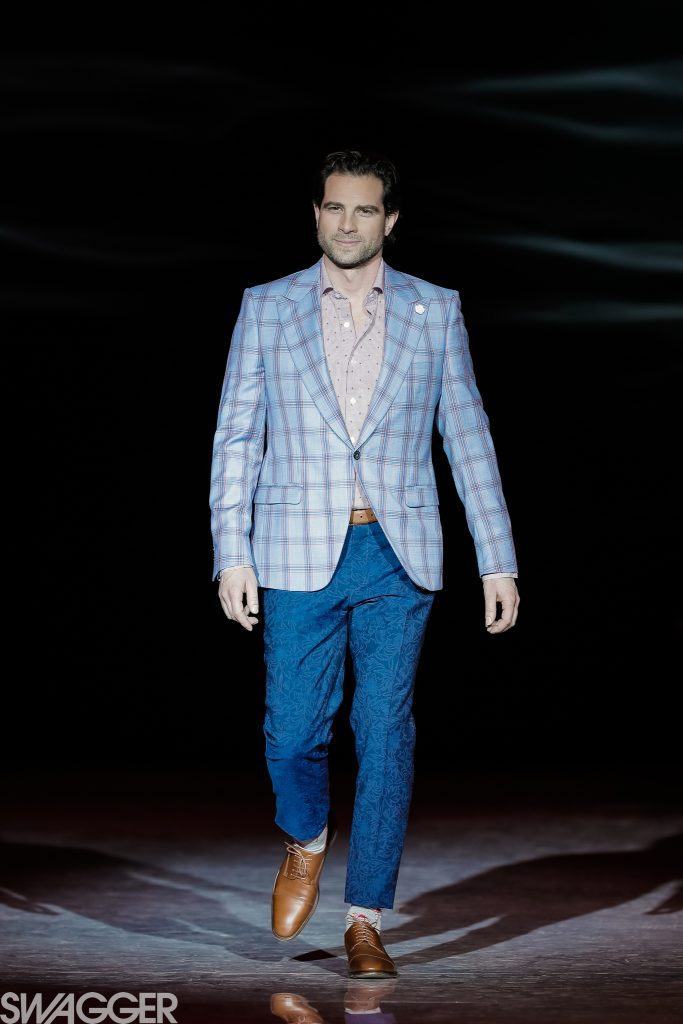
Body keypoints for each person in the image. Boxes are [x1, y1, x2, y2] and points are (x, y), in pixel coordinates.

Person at [209, 148, 519, 979]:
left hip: (396, 551)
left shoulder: (433, 309)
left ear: (390, 220)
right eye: (335, 208)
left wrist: (497, 560)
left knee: (385, 734)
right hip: (292, 550)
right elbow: (236, 436)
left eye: (365, 210)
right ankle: (306, 837)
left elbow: (467, 435)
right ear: (316, 214)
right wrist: (229, 553)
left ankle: (364, 919)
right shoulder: (267, 306)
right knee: (292, 735)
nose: (348, 223)